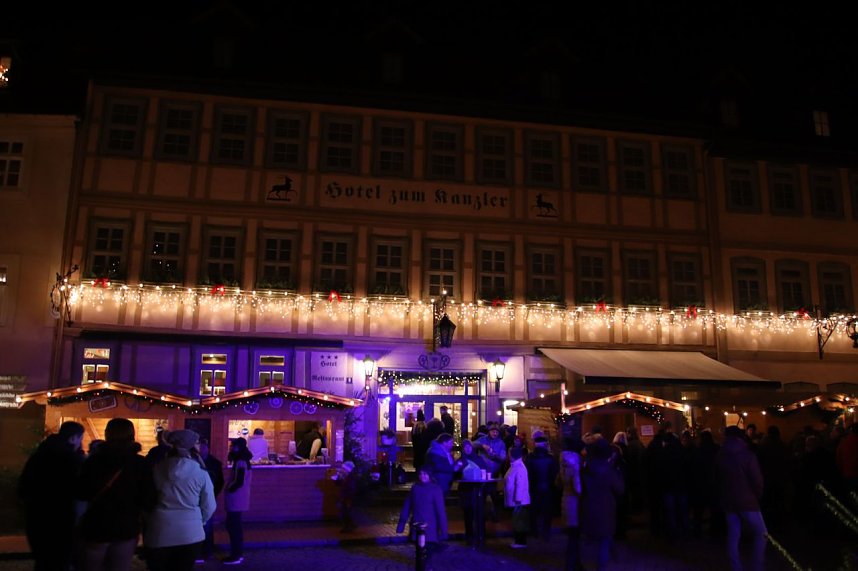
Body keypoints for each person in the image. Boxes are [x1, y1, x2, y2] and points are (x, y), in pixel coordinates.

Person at [77, 418, 156, 571]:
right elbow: (148, 498)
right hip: (125, 524)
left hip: (96, 523)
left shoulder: (94, 461)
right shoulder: (140, 464)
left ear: (107, 435)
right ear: (132, 435)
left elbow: (82, 492)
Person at [144, 429, 216, 571]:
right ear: (191, 446)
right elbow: (209, 505)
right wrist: (198, 521)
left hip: (159, 530)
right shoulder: (201, 472)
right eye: (197, 442)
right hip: (191, 534)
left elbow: (148, 498)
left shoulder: (157, 469)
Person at [18, 420, 85, 571]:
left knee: (43, 559)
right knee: (60, 559)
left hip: (35, 516)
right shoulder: (71, 459)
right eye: (80, 438)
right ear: (74, 437)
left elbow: (23, 487)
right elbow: (81, 490)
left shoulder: (38, 455)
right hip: (62, 517)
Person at [717, 425, 767, 571]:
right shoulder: (747, 454)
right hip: (747, 500)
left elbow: (716, 478)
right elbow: (757, 480)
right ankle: (757, 566)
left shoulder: (720, 454)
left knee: (733, 535)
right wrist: (756, 496)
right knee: (761, 533)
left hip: (729, 500)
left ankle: (736, 567)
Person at [581, 438, 625, 571]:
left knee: (599, 535)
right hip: (606, 504)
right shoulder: (608, 469)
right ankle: (603, 563)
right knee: (606, 535)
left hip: (590, 503)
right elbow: (620, 488)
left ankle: (609, 556)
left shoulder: (587, 467)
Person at [396, 466, 448, 567]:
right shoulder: (415, 488)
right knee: (419, 552)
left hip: (430, 528)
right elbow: (407, 505)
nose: (422, 476)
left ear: (429, 475)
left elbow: (440, 511)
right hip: (417, 526)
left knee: (428, 555)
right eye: (420, 474)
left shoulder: (435, 489)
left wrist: (444, 531)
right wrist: (401, 524)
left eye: (425, 474)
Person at [224, 437, 253, 565]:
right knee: (235, 526)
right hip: (240, 498)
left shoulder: (240, 462)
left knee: (233, 527)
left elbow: (238, 481)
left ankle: (235, 555)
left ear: (238, 447)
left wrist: (229, 489)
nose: (231, 448)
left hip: (236, 498)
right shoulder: (244, 460)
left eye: (233, 446)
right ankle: (237, 553)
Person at [525, 435, 559, 542]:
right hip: (548, 488)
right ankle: (545, 531)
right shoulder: (550, 458)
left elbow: (527, 474)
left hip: (533, 488)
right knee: (547, 512)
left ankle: (534, 531)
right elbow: (554, 474)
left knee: (534, 511)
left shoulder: (529, 458)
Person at [198, 438, 225, 561]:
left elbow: (220, 482)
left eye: (203, 447)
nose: (202, 449)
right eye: (200, 447)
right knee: (203, 525)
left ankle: (206, 551)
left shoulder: (213, 463)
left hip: (206, 498)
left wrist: (213, 494)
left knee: (206, 526)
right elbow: (220, 481)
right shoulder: (214, 463)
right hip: (202, 498)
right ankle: (206, 551)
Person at [559, 437, 584, 571]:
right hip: (574, 503)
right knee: (574, 537)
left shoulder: (563, 462)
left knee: (571, 537)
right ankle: (572, 565)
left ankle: (573, 563)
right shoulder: (575, 464)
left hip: (566, 499)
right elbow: (578, 487)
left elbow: (558, 482)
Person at [456, 439, 488, 543]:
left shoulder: (478, 459)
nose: (467, 449)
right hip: (466, 490)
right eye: (465, 447)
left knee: (479, 513)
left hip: (477, 490)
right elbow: (456, 473)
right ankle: (469, 536)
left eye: (469, 446)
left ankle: (480, 534)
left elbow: (485, 470)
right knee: (468, 514)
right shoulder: (461, 460)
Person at [505, 445, 531, 548]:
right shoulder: (515, 466)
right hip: (517, 499)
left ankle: (520, 542)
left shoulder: (518, 467)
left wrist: (518, 499)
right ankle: (518, 540)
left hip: (519, 500)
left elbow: (520, 484)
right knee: (517, 521)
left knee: (519, 521)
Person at [332, 460, 358, 532]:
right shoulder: (347, 476)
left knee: (346, 512)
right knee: (345, 511)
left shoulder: (350, 478)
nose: (342, 470)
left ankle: (348, 526)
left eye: (344, 469)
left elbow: (350, 488)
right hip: (345, 497)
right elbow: (340, 484)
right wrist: (337, 480)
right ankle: (349, 526)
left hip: (347, 497)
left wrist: (347, 497)